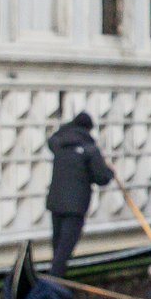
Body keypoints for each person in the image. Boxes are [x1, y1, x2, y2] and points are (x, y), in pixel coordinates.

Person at [45, 110, 113, 280]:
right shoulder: (90, 149)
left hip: (56, 203)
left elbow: (53, 138)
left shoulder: (59, 144)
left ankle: (56, 281)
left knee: (57, 246)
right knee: (65, 250)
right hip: (75, 207)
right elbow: (101, 178)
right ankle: (55, 284)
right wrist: (111, 172)